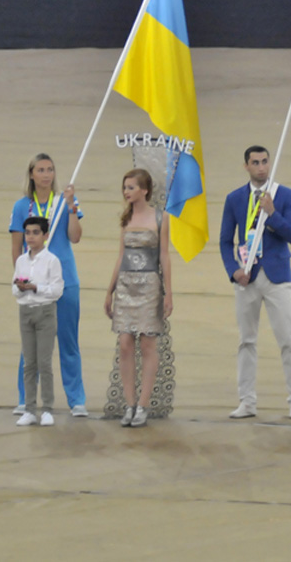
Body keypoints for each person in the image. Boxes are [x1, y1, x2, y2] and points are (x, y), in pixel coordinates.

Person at [219, 145, 291, 420]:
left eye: (264, 161)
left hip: (277, 276)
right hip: (247, 277)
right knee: (246, 340)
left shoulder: (284, 195)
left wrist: (273, 214)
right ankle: (247, 401)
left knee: (288, 339)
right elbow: (225, 241)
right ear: (246, 166)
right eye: (255, 162)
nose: (261, 167)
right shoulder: (234, 198)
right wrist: (233, 270)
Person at [10, 153, 88, 417]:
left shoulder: (64, 201)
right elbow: (16, 247)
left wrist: (71, 207)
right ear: (31, 174)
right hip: (34, 283)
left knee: (68, 341)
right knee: (31, 344)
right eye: (41, 170)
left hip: (65, 280)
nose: (46, 174)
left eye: (50, 169)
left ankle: (76, 400)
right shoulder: (22, 206)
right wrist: (21, 278)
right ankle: (26, 398)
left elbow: (75, 237)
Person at [105, 168, 173, 428]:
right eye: (125, 187)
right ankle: (129, 403)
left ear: (145, 190)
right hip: (126, 285)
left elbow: (164, 255)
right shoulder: (126, 219)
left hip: (149, 286)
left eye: (131, 187)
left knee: (147, 344)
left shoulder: (160, 217)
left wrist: (168, 291)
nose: (127, 192)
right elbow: (120, 256)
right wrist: (110, 290)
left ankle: (143, 405)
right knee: (125, 343)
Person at [13, 216, 63, 427]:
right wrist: (20, 288)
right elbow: (14, 288)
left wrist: (36, 288)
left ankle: (47, 409)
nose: (30, 237)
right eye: (27, 233)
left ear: (45, 235)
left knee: (44, 362)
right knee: (29, 363)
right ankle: (29, 409)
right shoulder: (21, 261)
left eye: (35, 233)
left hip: (45, 312)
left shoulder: (52, 260)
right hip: (26, 311)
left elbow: (57, 290)